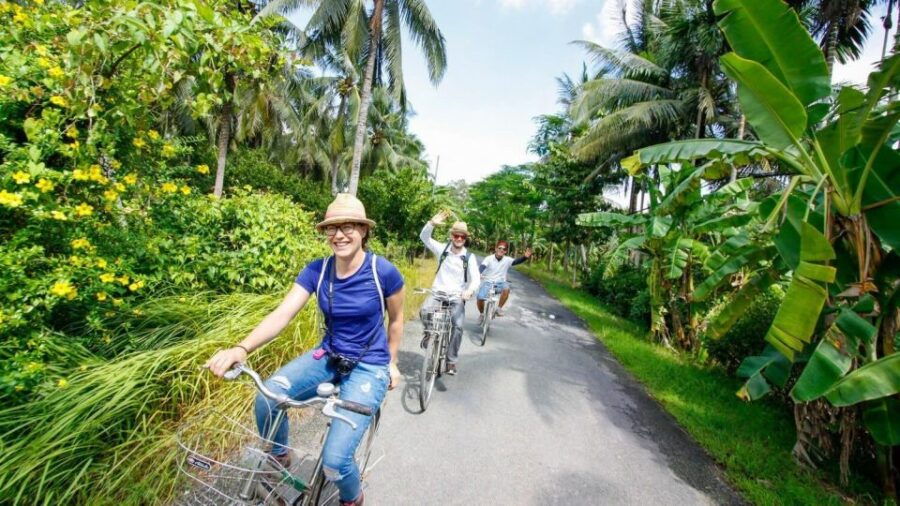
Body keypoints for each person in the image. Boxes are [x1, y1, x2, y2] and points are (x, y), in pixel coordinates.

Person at [205, 193, 404, 506]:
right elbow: (282, 314)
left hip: (369, 366)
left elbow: (396, 321)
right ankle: (279, 455)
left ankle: (352, 498)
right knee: (268, 395)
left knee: (335, 462)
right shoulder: (319, 270)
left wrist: (392, 362)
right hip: (329, 357)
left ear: (364, 230)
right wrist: (241, 348)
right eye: (332, 228)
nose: (339, 235)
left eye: (349, 226)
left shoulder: (384, 272)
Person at [419, 210, 480, 375]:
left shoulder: (469, 258)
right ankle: (428, 333)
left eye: (462, 237)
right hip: (438, 292)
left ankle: (451, 360)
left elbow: (475, 279)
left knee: (458, 326)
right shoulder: (442, 249)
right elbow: (424, 238)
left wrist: (469, 291)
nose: (459, 239)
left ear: (465, 239)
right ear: (451, 236)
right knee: (424, 310)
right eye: (456, 235)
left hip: (456, 297)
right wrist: (431, 224)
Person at [477, 241, 532, 320]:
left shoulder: (507, 260)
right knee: (480, 297)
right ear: (496, 249)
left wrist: (525, 257)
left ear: (506, 251)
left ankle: (499, 308)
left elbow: (516, 261)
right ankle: (482, 314)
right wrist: (479, 274)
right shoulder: (488, 258)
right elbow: (482, 266)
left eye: (504, 249)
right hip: (488, 281)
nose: (501, 250)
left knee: (506, 288)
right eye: (499, 248)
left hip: (500, 282)